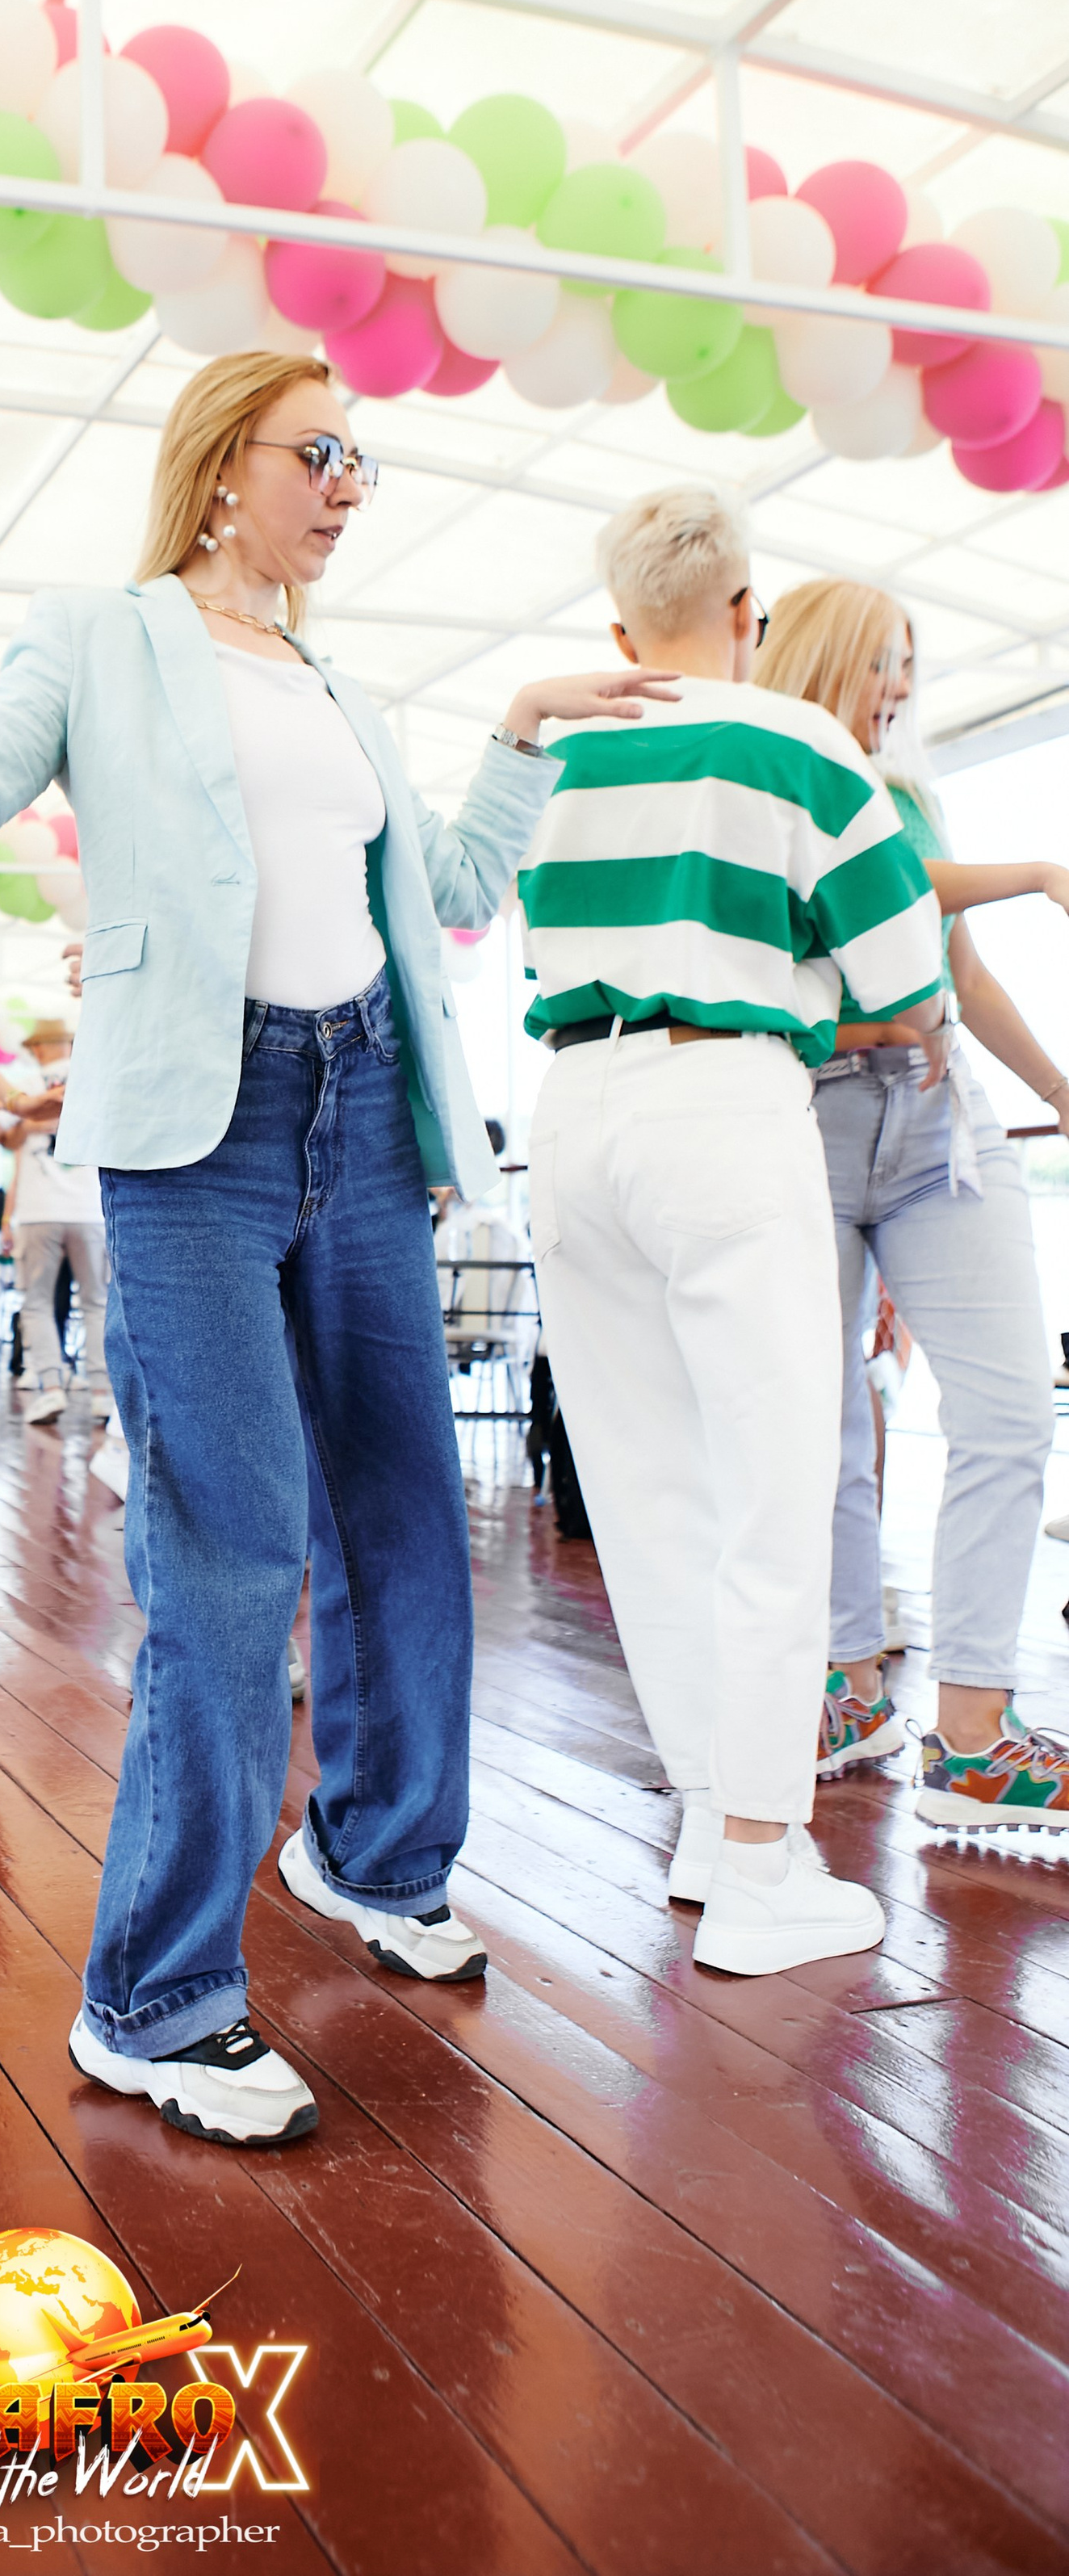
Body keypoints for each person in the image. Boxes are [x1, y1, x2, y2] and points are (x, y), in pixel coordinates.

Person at [0, 349, 653, 2146]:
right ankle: (155, 1994)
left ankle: (377, 1854)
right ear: (218, 468)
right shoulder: (99, 638)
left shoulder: (338, 685)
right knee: (233, 1548)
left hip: (365, 1111)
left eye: (361, 462)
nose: (347, 486)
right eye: (319, 453)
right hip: (202, 1125)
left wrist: (516, 735)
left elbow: (446, 897)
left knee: (402, 1515)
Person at [517, 486, 949, 1978]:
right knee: (772, 1486)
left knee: (648, 1494)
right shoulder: (801, 743)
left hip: (573, 1111)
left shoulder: (563, 760)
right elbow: (911, 979)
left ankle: (715, 1817)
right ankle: (763, 1863)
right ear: (747, 613)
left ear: (622, 631)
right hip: (722, 1103)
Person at [756, 577, 1067, 1838]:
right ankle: (847, 1691)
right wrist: (1035, 870)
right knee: (827, 1425)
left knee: (1009, 1407)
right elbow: (884, 887)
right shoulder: (769, 787)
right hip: (809, 1116)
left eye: (908, 665)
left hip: (943, 1120)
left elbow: (962, 974)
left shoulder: (913, 791)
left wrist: (1059, 1089)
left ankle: (975, 1738)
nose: (896, 688)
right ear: (820, 658)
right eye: (878, 661)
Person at [0, 1018, 105, 1424]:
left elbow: (5, 1138)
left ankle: (49, 1387)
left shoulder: (26, 1084)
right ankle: (102, 1392)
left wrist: (30, 1123)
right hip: (90, 1209)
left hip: (39, 1210)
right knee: (97, 1302)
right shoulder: (95, 1074)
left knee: (37, 1301)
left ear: (38, 1048)